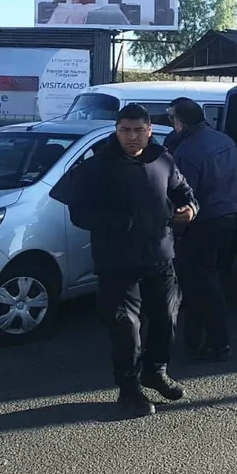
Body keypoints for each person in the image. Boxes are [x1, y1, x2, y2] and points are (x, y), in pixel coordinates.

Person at [63, 103, 199, 415]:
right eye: (125, 130)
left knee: (166, 318)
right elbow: (79, 213)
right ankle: (128, 388)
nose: (132, 137)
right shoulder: (97, 167)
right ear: (117, 131)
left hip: (160, 256)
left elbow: (184, 193)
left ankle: (155, 371)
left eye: (138, 130)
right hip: (117, 261)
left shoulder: (163, 159)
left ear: (149, 131)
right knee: (126, 328)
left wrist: (190, 211)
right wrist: (121, 222)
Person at [167, 97, 237, 363]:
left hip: (201, 222)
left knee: (201, 283)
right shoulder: (225, 141)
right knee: (206, 278)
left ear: (180, 121)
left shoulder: (187, 152)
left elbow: (183, 196)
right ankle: (195, 339)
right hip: (228, 217)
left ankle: (217, 342)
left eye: (171, 118)